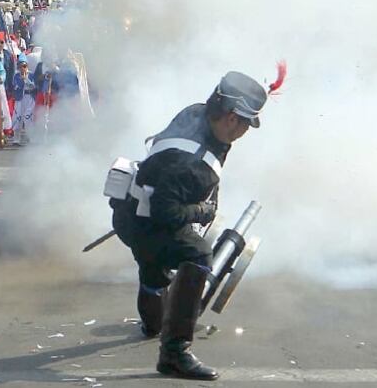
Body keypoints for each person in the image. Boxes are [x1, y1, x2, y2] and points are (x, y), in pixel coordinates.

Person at [111, 71, 272, 381]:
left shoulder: (196, 114)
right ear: (231, 118)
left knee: (153, 274)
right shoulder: (192, 166)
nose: (244, 132)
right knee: (198, 254)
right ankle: (175, 354)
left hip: (130, 210)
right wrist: (203, 210)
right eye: (245, 124)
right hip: (148, 221)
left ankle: (155, 317)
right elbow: (166, 213)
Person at [10, 58, 37, 145]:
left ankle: (31, 137)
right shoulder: (16, 75)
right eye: (20, 66)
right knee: (17, 117)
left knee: (28, 117)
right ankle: (16, 139)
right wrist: (22, 80)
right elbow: (17, 86)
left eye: (24, 66)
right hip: (20, 98)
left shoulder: (32, 75)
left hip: (30, 98)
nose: (22, 68)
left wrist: (26, 79)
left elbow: (34, 86)